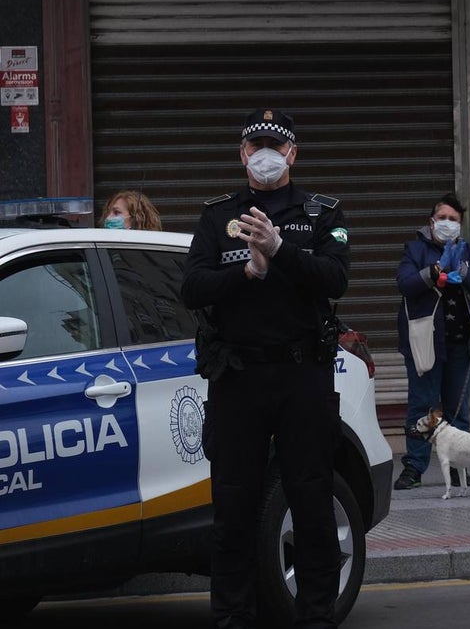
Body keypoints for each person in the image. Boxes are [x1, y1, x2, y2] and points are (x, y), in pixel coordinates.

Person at [180, 108, 349, 629]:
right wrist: (248, 273)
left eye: (276, 146)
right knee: (233, 507)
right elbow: (192, 288)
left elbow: (335, 279)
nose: (266, 155)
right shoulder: (218, 216)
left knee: (311, 499)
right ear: (242, 154)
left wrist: (280, 250)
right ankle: (234, 617)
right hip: (239, 377)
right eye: (257, 146)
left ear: (293, 153)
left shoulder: (321, 214)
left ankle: (316, 616)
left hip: (303, 377)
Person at [393, 192, 470, 490]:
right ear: (431, 221)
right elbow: (405, 283)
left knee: (457, 409)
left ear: (460, 225)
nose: (447, 223)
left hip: (461, 344)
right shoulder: (415, 250)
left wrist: (462, 269)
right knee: (422, 405)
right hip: (425, 343)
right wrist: (435, 270)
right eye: (442, 218)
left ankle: (459, 468)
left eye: (453, 219)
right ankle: (414, 467)